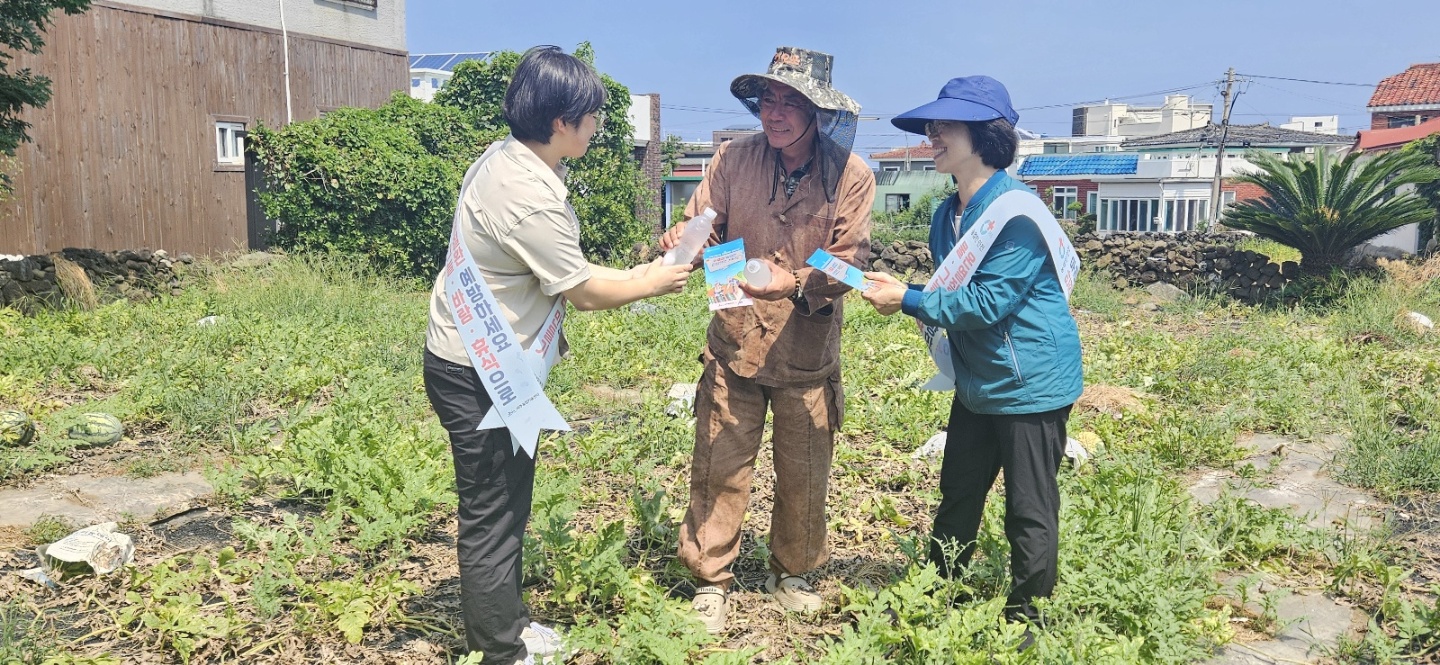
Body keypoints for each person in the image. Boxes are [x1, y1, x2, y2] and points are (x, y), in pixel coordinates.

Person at [422, 46, 692, 665]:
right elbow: (583, 291)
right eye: (592, 115)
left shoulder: (507, 158)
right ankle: (500, 651)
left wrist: (635, 272)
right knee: (493, 511)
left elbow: (561, 271)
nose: (599, 126)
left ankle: (505, 625)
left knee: (507, 501)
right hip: (481, 371)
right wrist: (651, 280)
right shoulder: (531, 196)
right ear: (561, 122)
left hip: (470, 355)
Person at [859, 75, 1083, 649]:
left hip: (1029, 380)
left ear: (985, 135)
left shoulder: (1017, 216)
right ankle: (937, 593)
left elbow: (987, 302)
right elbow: (950, 289)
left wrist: (906, 298)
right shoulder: (946, 213)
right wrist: (904, 289)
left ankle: (1026, 620)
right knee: (958, 490)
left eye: (944, 126)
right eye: (930, 126)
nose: (931, 135)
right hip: (978, 381)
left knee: (1029, 508)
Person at [659, 46, 875, 635]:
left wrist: (798, 279)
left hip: (806, 351)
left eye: (790, 102)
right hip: (735, 340)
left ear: (818, 111)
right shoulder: (734, 158)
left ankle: (794, 572)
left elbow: (852, 264)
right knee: (719, 462)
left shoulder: (851, 176)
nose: (774, 113)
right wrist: (686, 237)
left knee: (804, 471)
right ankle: (709, 579)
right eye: (768, 100)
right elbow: (706, 221)